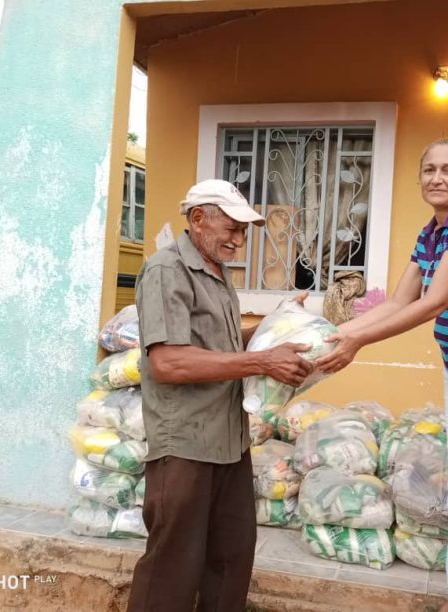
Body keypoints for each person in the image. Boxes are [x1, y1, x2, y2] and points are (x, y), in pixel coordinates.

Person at [316, 138, 448, 612]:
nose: (437, 178)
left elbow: (435, 301)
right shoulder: (431, 233)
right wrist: (330, 334)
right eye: (429, 169)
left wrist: (358, 343)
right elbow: (398, 301)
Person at [127, 179, 314, 612]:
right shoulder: (166, 270)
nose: (239, 240)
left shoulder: (217, 272)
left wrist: (277, 325)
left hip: (229, 442)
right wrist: (262, 361)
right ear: (198, 219)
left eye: (243, 231)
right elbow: (169, 362)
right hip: (185, 444)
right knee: (172, 568)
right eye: (232, 229)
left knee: (231, 558)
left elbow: (223, 346)